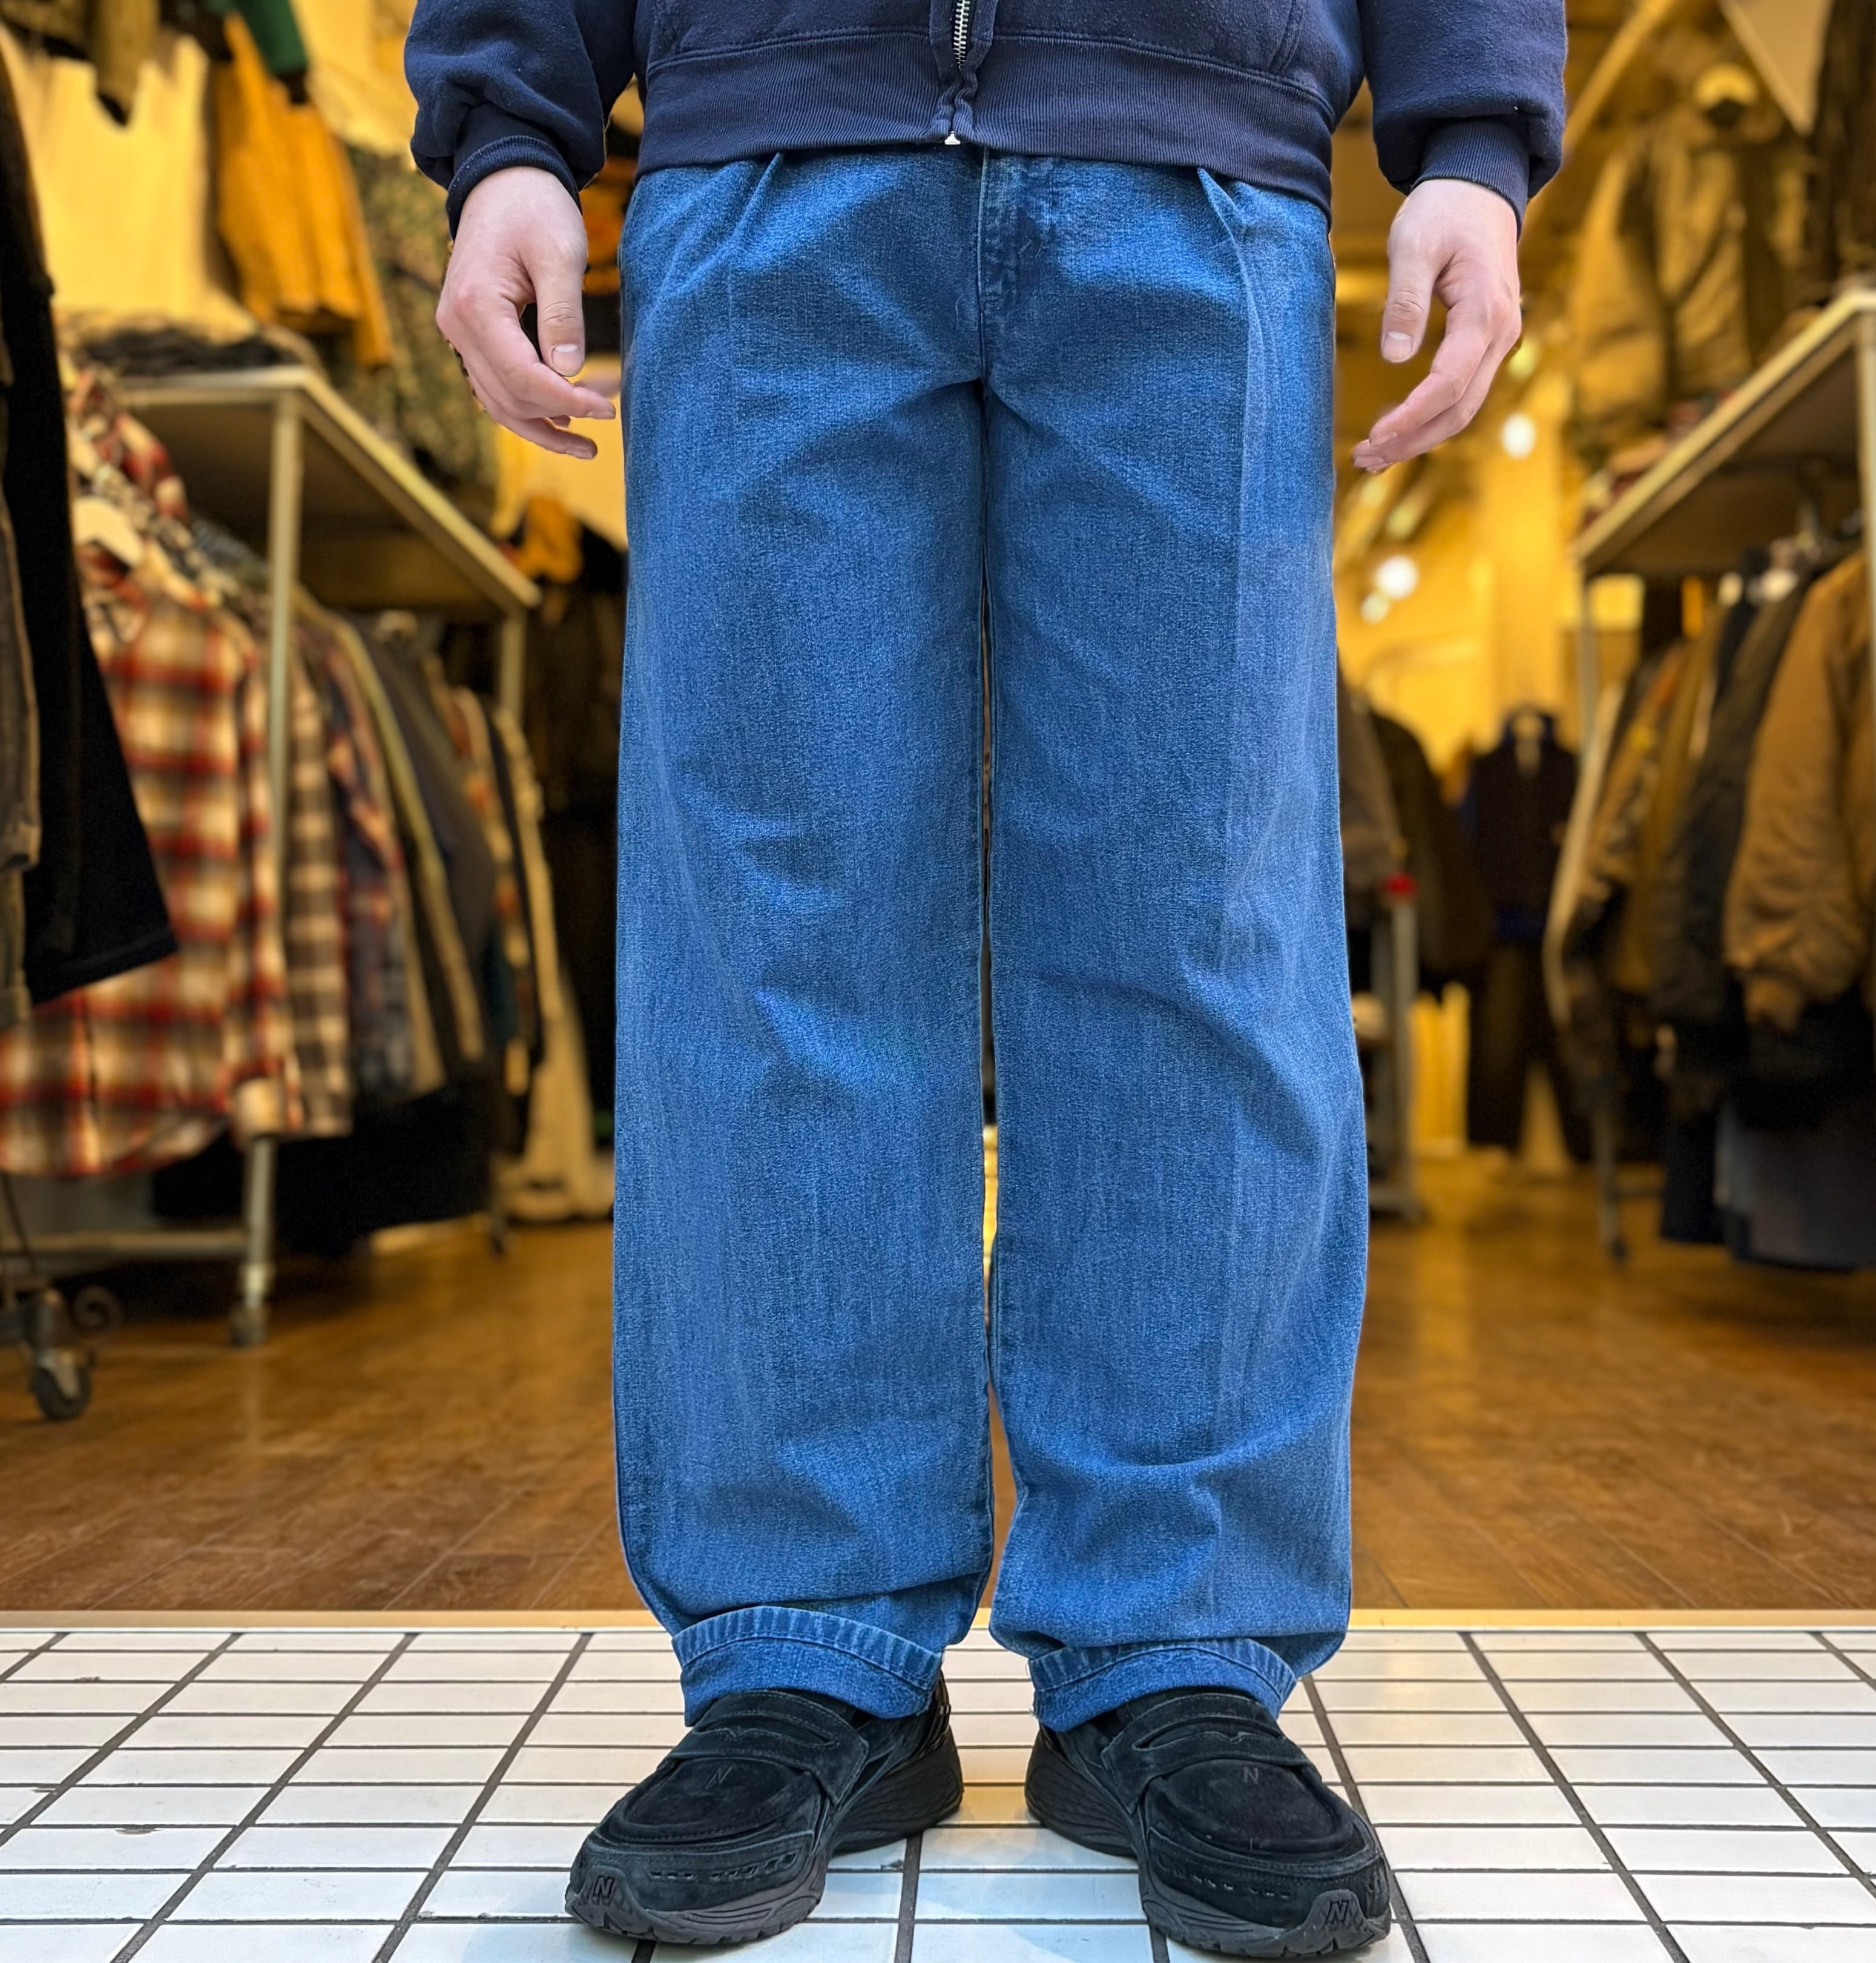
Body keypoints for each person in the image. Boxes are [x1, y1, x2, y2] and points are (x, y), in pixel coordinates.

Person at [406, 2, 1564, 1950]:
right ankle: (804, 1644)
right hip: (768, 147)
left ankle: (1176, 1645)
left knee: (1199, 928)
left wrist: (1473, 130)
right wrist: (510, 115)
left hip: (1194, 152)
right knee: (773, 935)